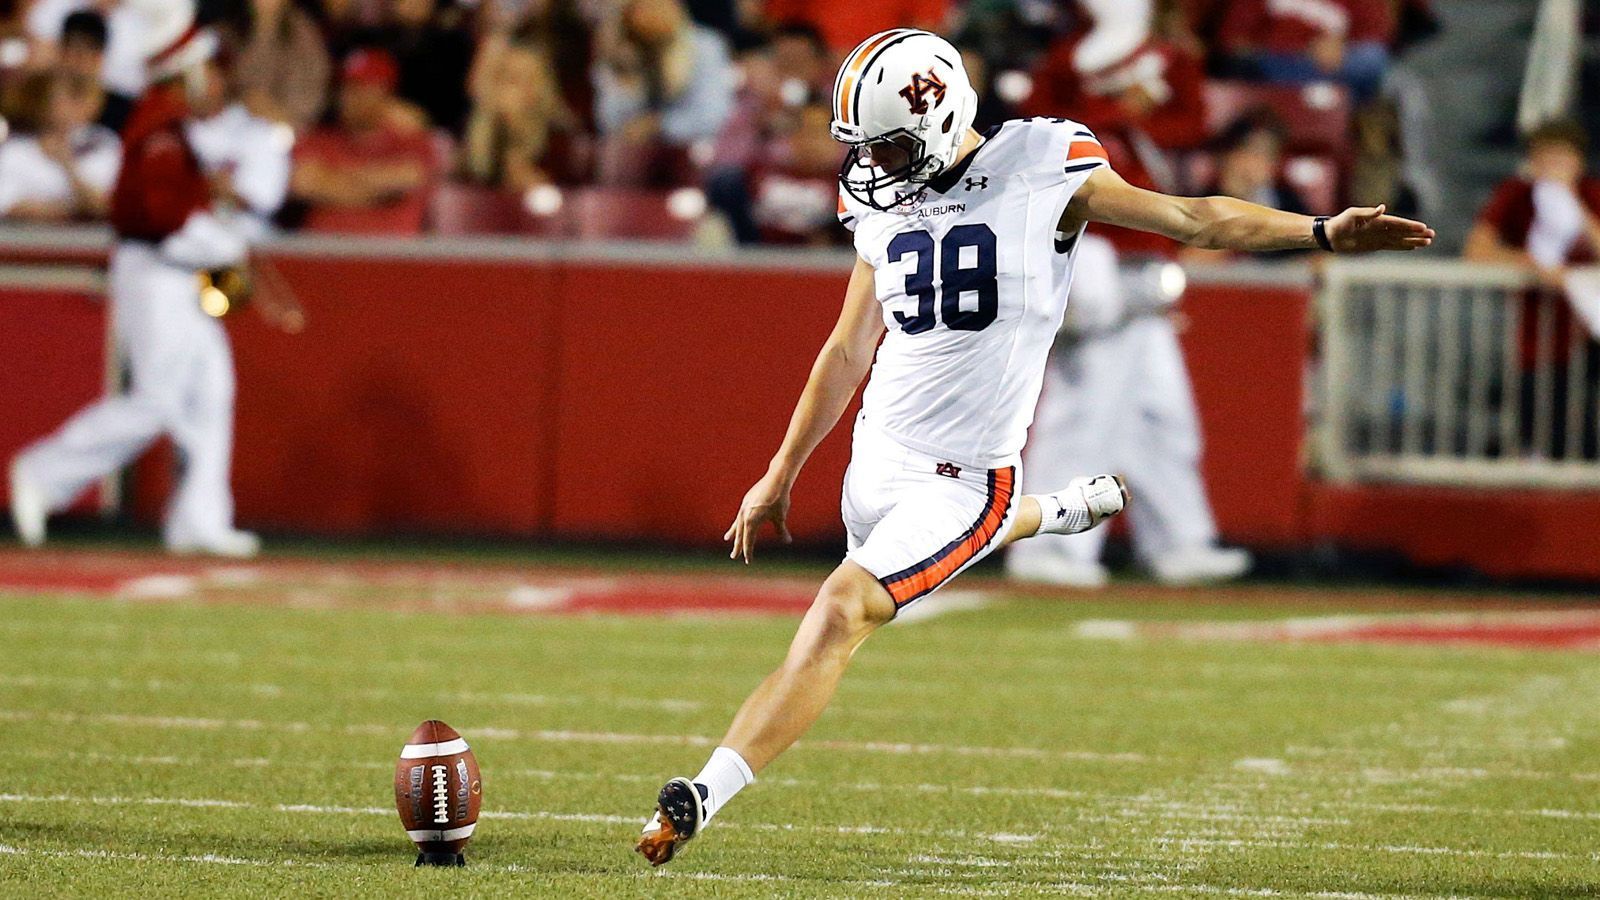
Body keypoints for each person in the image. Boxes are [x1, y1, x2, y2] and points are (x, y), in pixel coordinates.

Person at [634, 28, 1433, 867]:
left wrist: (1319, 232)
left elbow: (1191, 217)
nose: (877, 165)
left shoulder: (1043, 162)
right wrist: (781, 467)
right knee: (888, 583)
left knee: (840, 612)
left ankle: (701, 794)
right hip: (876, 457)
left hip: (964, 479)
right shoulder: (877, 197)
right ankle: (1050, 513)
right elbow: (846, 348)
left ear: (941, 113)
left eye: (891, 143)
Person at [10, 0, 291, 558]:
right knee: (158, 400)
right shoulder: (159, 130)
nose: (211, 82)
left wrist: (221, 251)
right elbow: (151, 219)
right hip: (158, 274)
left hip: (183, 274)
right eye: (204, 71)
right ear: (185, 72)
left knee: (213, 389)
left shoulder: (170, 127)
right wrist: (222, 246)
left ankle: (200, 519)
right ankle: (45, 473)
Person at [1005, 233, 1251, 588]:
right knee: (1084, 416)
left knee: (1162, 417)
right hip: (1090, 241)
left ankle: (1178, 542)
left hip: (1146, 253)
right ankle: (1048, 547)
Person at [288, 48, 437, 235]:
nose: (348, 98)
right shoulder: (319, 139)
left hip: (390, 255)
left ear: (385, 92)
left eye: (361, 88)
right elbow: (303, 183)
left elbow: (406, 178)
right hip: (322, 253)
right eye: (345, 88)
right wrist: (375, 190)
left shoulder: (410, 141)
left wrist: (332, 179)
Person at [592, 0, 734, 186]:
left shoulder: (705, 46)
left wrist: (659, 125)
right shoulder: (622, 49)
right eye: (641, 7)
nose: (651, 13)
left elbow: (712, 118)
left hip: (691, 158)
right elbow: (608, 121)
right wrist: (626, 76)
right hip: (633, 160)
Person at [0, 68, 120, 223]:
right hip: (30, 242)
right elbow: (9, 205)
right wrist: (76, 211)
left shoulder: (102, 142)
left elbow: (104, 206)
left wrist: (67, 165)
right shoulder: (15, 150)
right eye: (70, 98)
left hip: (92, 243)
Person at [232, 0, 331, 133]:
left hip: (284, 133)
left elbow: (304, 111)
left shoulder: (304, 38)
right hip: (232, 127)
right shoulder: (228, 27)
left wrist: (270, 111)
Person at [58, 10, 130, 131]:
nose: (80, 60)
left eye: (90, 50)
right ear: (60, 51)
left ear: (100, 56)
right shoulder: (38, 99)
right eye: (73, 50)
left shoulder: (123, 111)